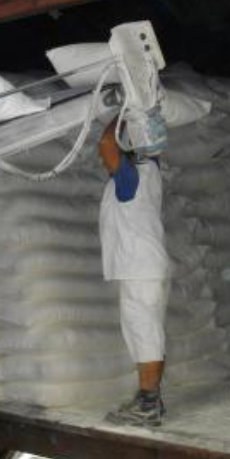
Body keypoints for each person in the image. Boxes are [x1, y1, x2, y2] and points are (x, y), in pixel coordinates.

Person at [98, 117, 171, 427]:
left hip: (140, 268)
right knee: (146, 331)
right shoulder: (148, 171)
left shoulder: (133, 177)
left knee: (144, 333)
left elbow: (104, 144)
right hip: (144, 267)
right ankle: (150, 399)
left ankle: (148, 403)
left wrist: (122, 114)